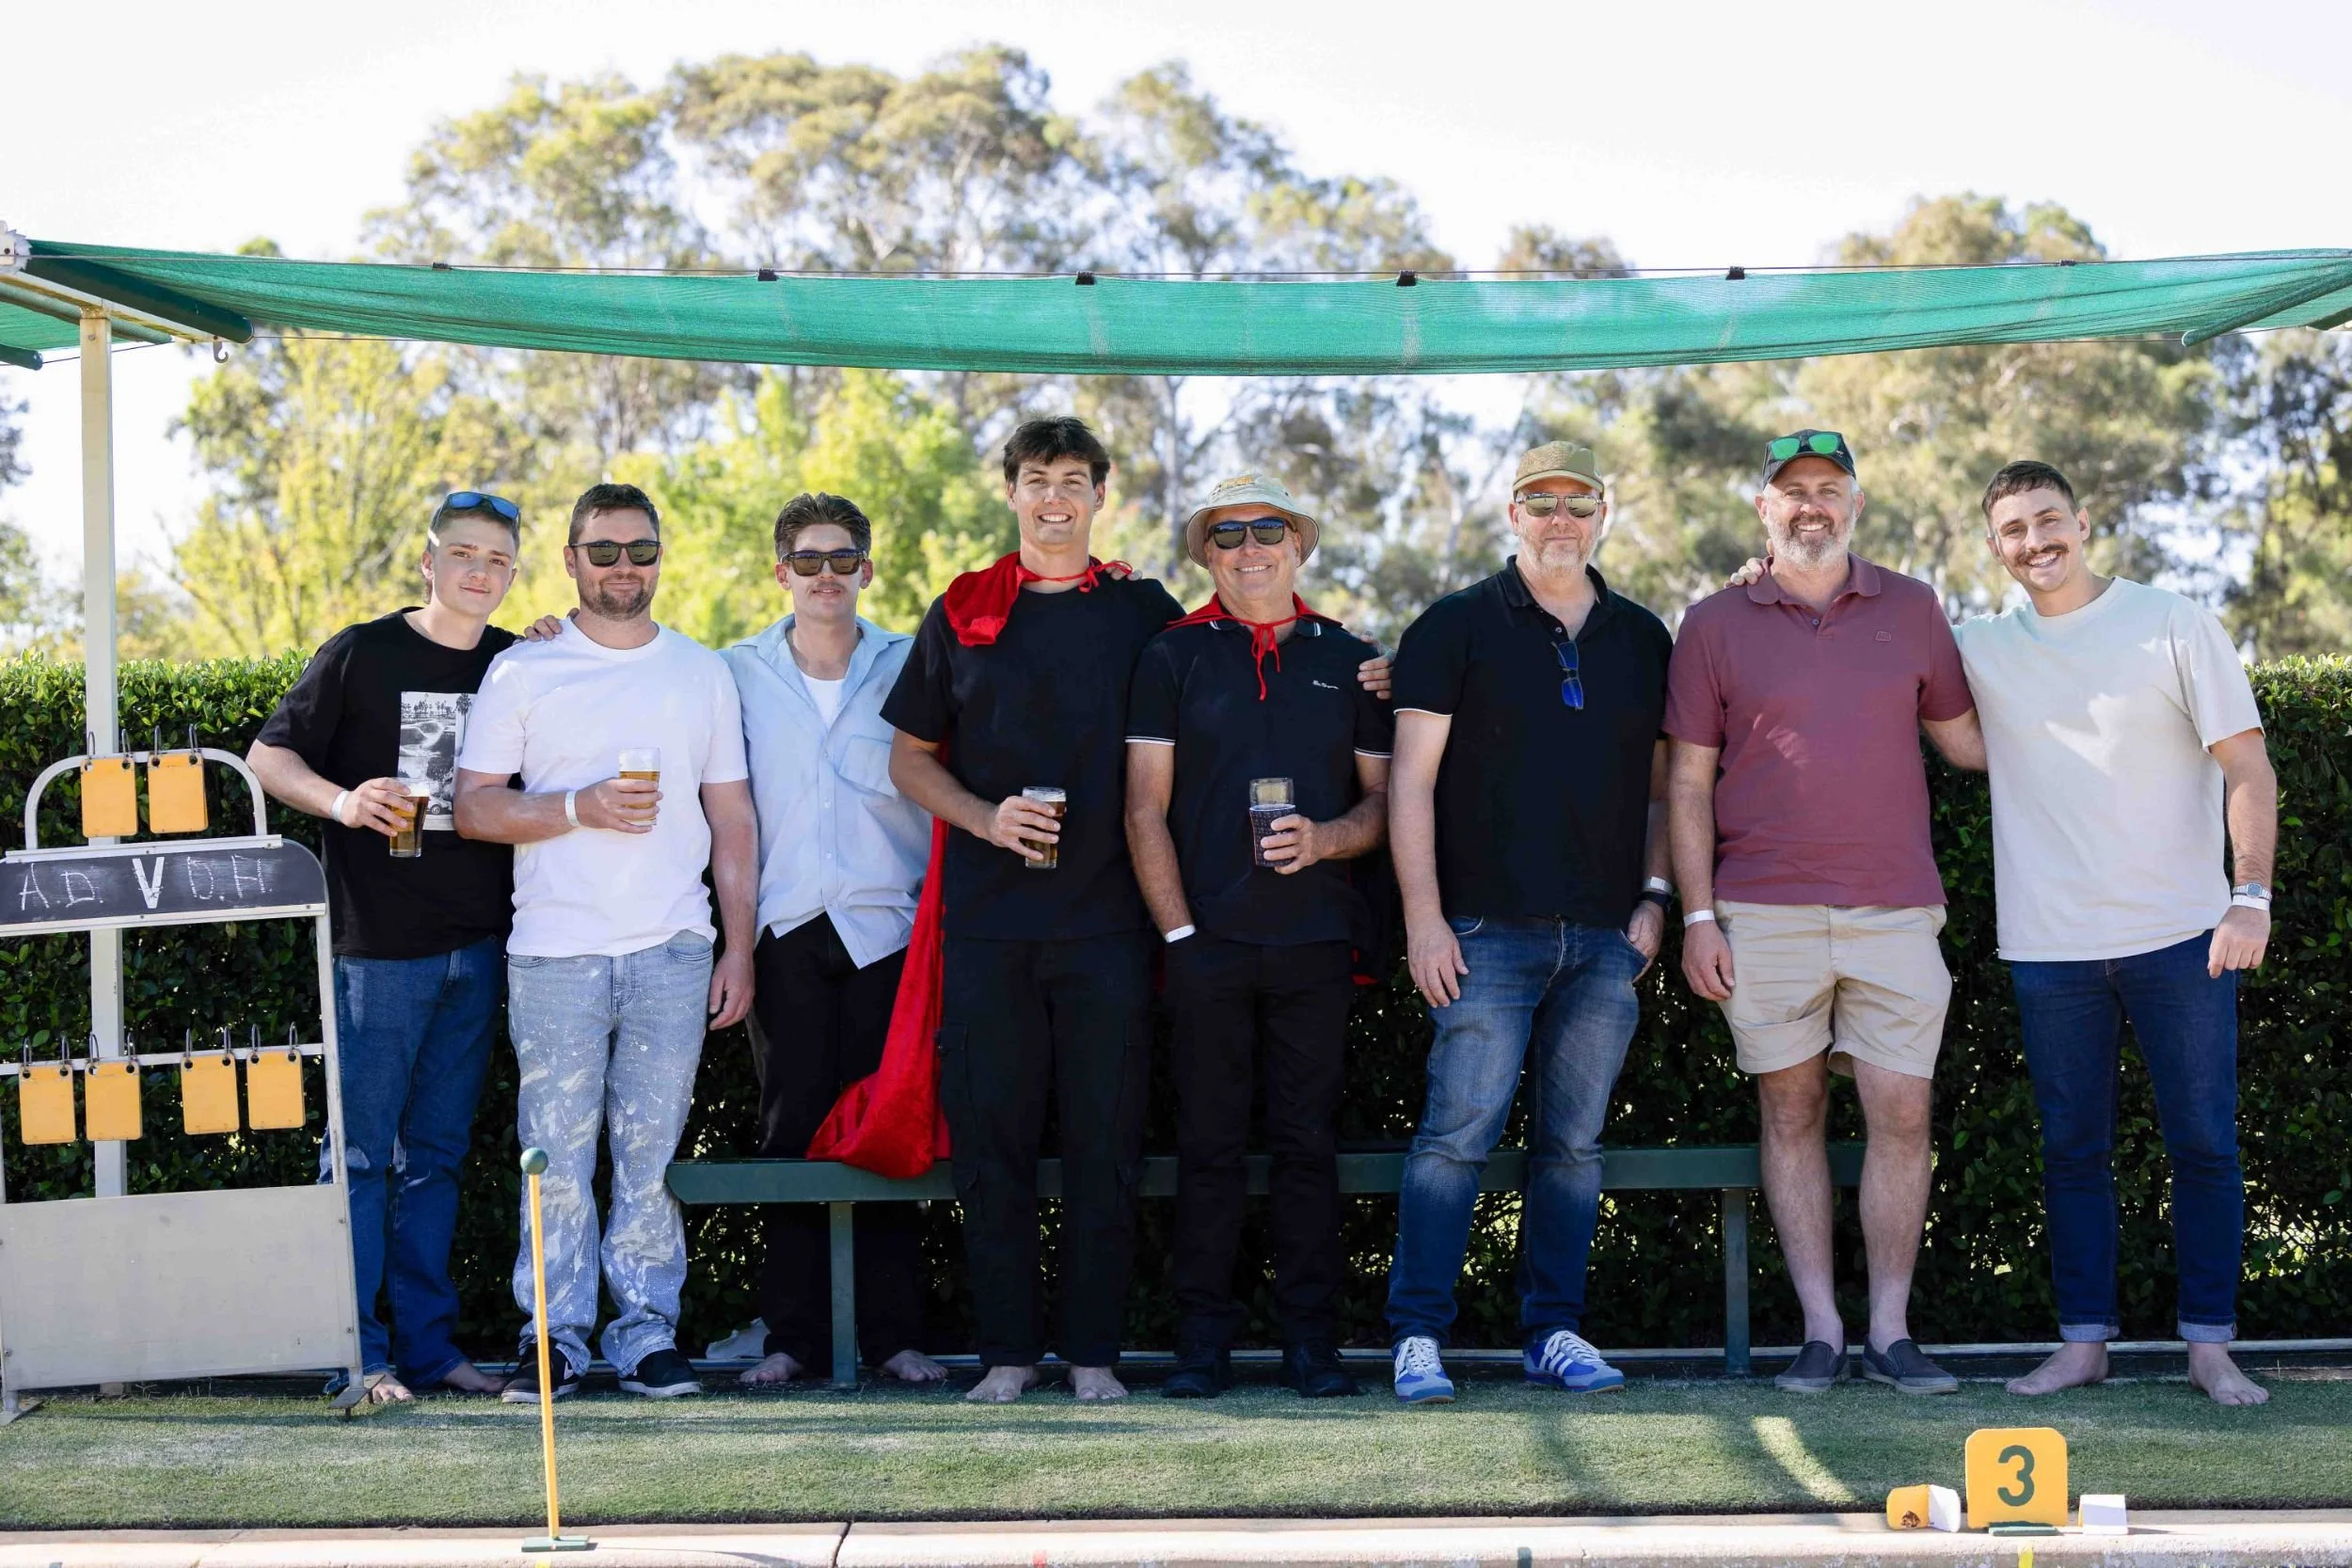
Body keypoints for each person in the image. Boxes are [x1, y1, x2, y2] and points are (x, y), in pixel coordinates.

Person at [884, 419, 1392, 1403]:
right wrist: (988, 816)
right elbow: (907, 759)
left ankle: (1091, 1353)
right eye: (1037, 480)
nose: (1054, 499)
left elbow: (1263, 658)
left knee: (1107, 1144)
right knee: (992, 1143)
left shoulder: (1144, 612)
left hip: (1113, 927)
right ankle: (1005, 1352)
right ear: (1012, 493)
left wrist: (1384, 674)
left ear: (1100, 496)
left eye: (1073, 480)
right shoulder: (960, 611)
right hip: (988, 923)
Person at [1666, 430, 1983, 1398]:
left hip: (1896, 908)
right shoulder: (1713, 621)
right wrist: (1696, 917)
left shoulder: (1915, 607)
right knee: (1790, 1106)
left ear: (1855, 502)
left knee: (1901, 1109)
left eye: (1828, 488)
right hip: (1760, 911)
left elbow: (1970, 743)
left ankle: (1889, 1329)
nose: (1811, 504)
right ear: (1762, 508)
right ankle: (1819, 1329)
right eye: (1791, 490)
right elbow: (1685, 780)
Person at [1963, 461, 2277, 1407]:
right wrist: (1761, 577)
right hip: (2048, 945)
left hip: (2182, 935)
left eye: (2046, 518)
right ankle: (2083, 1343)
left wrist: (2249, 895)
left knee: (2204, 1142)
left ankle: (2210, 1345)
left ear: (2084, 519)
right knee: (2070, 1151)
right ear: (1995, 546)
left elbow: (2249, 768)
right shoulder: (1979, 644)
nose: (2033, 541)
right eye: (2012, 529)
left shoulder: (2172, 621)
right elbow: (1887, 675)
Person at [1382, 442, 1675, 1405]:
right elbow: (1410, 783)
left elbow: (1668, 785)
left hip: (1601, 938)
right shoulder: (1453, 625)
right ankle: (1417, 1334)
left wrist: (1655, 897)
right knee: (1453, 1136)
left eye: (1576, 502)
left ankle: (1552, 1329)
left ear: (1603, 512)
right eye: (1539, 502)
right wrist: (1424, 919)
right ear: (1512, 514)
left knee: (1573, 1146)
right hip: (1483, 933)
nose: (1559, 519)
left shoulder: (1643, 638)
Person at [453, 481, 757, 1403]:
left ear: (660, 558)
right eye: (604, 550)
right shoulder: (524, 669)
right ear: (571, 560)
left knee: (647, 1157)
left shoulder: (701, 670)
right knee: (551, 1154)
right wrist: (577, 805)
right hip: (554, 953)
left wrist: (737, 947)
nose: (624, 566)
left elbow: (732, 816)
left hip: (673, 949)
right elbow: (470, 807)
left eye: (641, 550)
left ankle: (645, 1335)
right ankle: (552, 1338)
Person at [247, 491, 526, 1405]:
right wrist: (341, 801)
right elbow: (267, 756)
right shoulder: (362, 650)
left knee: (439, 1155)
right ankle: (355, 1356)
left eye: (498, 559)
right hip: (376, 949)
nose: (480, 571)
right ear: (429, 562)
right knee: (360, 1155)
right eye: (464, 554)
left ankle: (428, 1349)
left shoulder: (517, 660)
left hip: (476, 945)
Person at [1124, 474, 1393, 1401]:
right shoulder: (1169, 656)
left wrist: (1323, 840)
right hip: (1206, 945)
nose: (1248, 547)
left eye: (1267, 527)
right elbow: (1141, 809)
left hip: (1316, 941)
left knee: (1306, 1145)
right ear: (1205, 553)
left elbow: (1383, 802)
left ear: (1299, 540)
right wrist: (1179, 933)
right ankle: (1200, 1345)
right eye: (1226, 533)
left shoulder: (1350, 657)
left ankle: (1312, 1346)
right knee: (1205, 1144)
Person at [721, 492, 946, 1389]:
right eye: (807, 561)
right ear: (781, 572)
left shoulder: (912, 662)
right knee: (790, 1131)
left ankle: (895, 1335)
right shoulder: (732, 670)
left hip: (888, 927)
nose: (826, 576)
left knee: (891, 1127)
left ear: (867, 568)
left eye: (842, 559)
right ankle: (792, 1337)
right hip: (783, 929)